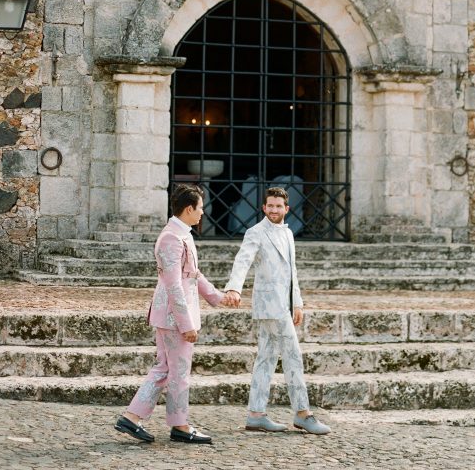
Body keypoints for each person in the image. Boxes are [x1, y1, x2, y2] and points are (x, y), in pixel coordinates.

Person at [115, 183, 227, 445]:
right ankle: (178, 425)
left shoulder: (182, 235)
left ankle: (137, 418)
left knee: (166, 369)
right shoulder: (171, 238)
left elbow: (192, 275)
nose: (203, 212)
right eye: (200, 208)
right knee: (176, 372)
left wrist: (216, 297)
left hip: (173, 315)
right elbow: (174, 285)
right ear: (189, 208)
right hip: (173, 316)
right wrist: (186, 324)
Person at [224, 185, 331, 435]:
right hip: (269, 306)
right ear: (264, 207)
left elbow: (292, 272)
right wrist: (234, 288)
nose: (273, 210)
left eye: (278, 206)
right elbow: (243, 260)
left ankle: (256, 414)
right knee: (293, 356)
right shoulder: (256, 232)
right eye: (269, 206)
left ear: (286, 208)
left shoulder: (289, 233)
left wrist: (298, 302)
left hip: (284, 305)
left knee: (266, 358)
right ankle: (303, 413)